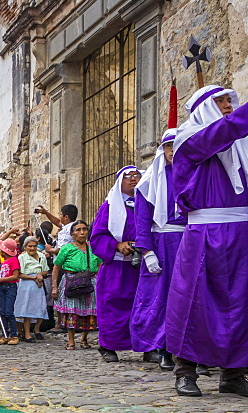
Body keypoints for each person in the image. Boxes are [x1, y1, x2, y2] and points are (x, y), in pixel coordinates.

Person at [166, 85, 248, 397]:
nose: (228, 105)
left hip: (241, 231)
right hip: (205, 233)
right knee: (194, 302)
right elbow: (222, 132)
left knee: (241, 303)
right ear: (205, 108)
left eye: (231, 100)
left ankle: (233, 373)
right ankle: (185, 371)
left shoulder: (242, 146)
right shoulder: (190, 140)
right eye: (221, 101)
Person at [132, 129, 182, 371]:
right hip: (162, 244)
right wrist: (147, 251)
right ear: (163, 149)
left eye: (178, 144)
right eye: (169, 146)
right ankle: (164, 349)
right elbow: (141, 220)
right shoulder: (148, 183)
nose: (173, 150)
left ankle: (194, 353)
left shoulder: (194, 174)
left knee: (192, 296)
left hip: (189, 239)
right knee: (163, 298)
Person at [90, 166, 147, 363]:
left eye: (137, 175)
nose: (133, 179)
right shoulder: (109, 207)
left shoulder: (148, 202)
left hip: (143, 265)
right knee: (113, 306)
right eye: (128, 177)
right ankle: (108, 345)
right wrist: (117, 245)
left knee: (143, 305)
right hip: (117, 267)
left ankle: (148, 345)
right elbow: (97, 236)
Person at [51, 221, 100, 350]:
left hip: (90, 282)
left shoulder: (93, 248)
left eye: (84, 229)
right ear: (72, 234)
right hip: (71, 281)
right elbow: (56, 268)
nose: (82, 232)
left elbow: (100, 266)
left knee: (89, 312)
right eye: (78, 230)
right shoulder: (66, 249)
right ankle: (71, 340)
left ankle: (84, 339)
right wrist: (54, 287)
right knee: (71, 311)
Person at [14, 236, 49, 342]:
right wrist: (34, 277)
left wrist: (40, 274)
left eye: (34, 246)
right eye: (30, 246)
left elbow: (46, 270)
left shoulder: (41, 256)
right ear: (25, 247)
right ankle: (27, 333)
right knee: (26, 308)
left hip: (38, 285)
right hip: (26, 284)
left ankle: (37, 329)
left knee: (40, 306)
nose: (32, 248)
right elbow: (20, 274)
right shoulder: (22, 258)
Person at [0, 238, 20, 345]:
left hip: (10, 287)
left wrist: (1, 279)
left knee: (9, 312)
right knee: (2, 312)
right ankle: (5, 334)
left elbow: (15, 275)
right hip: (2, 287)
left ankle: (14, 335)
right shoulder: (5, 262)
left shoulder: (14, 260)